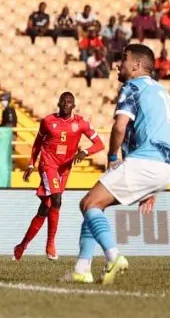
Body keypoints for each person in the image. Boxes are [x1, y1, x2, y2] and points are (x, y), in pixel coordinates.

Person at [68, 44, 170, 284]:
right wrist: (154, 187)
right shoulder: (163, 93)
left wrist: (111, 158)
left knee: (88, 203)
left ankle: (113, 256)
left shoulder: (132, 86)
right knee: (95, 204)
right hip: (168, 167)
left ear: (137, 65)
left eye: (124, 58)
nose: (119, 64)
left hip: (147, 160)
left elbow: (119, 126)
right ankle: (81, 269)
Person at [15, 92, 103, 261]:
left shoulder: (81, 123)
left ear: (73, 105)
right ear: (58, 103)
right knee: (57, 199)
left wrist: (85, 151)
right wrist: (32, 164)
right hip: (48, 165)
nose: (65, 104)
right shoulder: (48, 121)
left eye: (69, 102)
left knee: (45, 208)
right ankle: (51, 244)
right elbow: (37, 144)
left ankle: (22, 245)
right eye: (63, 102)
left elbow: (99, 144)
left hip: (64, 169)